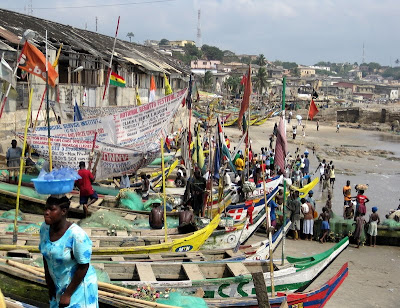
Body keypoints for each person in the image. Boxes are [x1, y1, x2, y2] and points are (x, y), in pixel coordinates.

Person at [39, 196, 98, 307]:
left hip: (78, 286)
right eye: (45, 209)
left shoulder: (76, 235)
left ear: (63, 211)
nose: (46, 213)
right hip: (59, 284)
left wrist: (67, 294)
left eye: (51, 209)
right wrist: (50, 284)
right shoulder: (44, 229)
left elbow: (84, 265)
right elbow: (45, 255)